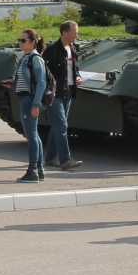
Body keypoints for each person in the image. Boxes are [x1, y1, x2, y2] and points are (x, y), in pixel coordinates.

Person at [5, 29, 48, 183]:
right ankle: (39, 170)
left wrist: (36, 104)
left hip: (30, 100)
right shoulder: (25, 58)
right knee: (34, 135)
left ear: (33, 42)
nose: (20, 43)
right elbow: (28, 80)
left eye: (24, 40)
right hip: (26, 98)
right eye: (20, 40)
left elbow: (41, 82)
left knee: (31, 136)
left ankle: (32, 171)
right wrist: (14, 83)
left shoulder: (35, 59)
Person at [42, 20, 83, 170]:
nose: (76, 36)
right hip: (55, 94)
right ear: (64, 33)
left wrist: (77, 77)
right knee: (61, 126)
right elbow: (45, 73)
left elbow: (75, 68)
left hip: (69, 91)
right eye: (74, 33)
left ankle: (50, 158)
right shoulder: (52, 51)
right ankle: (66, 159)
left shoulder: (72, 49)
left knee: (57, 126)